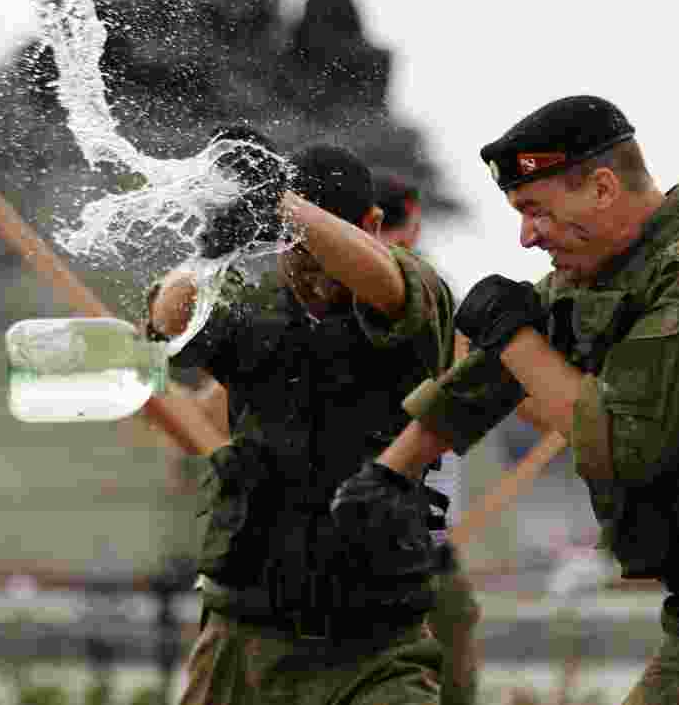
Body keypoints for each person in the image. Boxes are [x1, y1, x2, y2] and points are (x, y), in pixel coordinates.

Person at [331, 96, 679, 703]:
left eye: (536, 211)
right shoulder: (606, 269)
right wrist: (386, 477)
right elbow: (486, 377)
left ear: (603, 189)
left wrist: (515, 337)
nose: (526, 237)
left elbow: (625, 448)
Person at [148, 128, 456, 705]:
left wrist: (284, 201)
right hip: (243, 635)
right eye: (296, 255)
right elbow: (169, 317)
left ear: (368, 225)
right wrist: (214, 246)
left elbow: (386, 281)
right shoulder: (256, 310)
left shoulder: (417, 298)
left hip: (377, 644)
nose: (313, 276)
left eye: (324, 256)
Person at [373, 170, 481, 705]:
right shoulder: (434, 306)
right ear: (412, 221)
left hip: (408, 553)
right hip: (410, 557)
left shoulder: (311, 306)